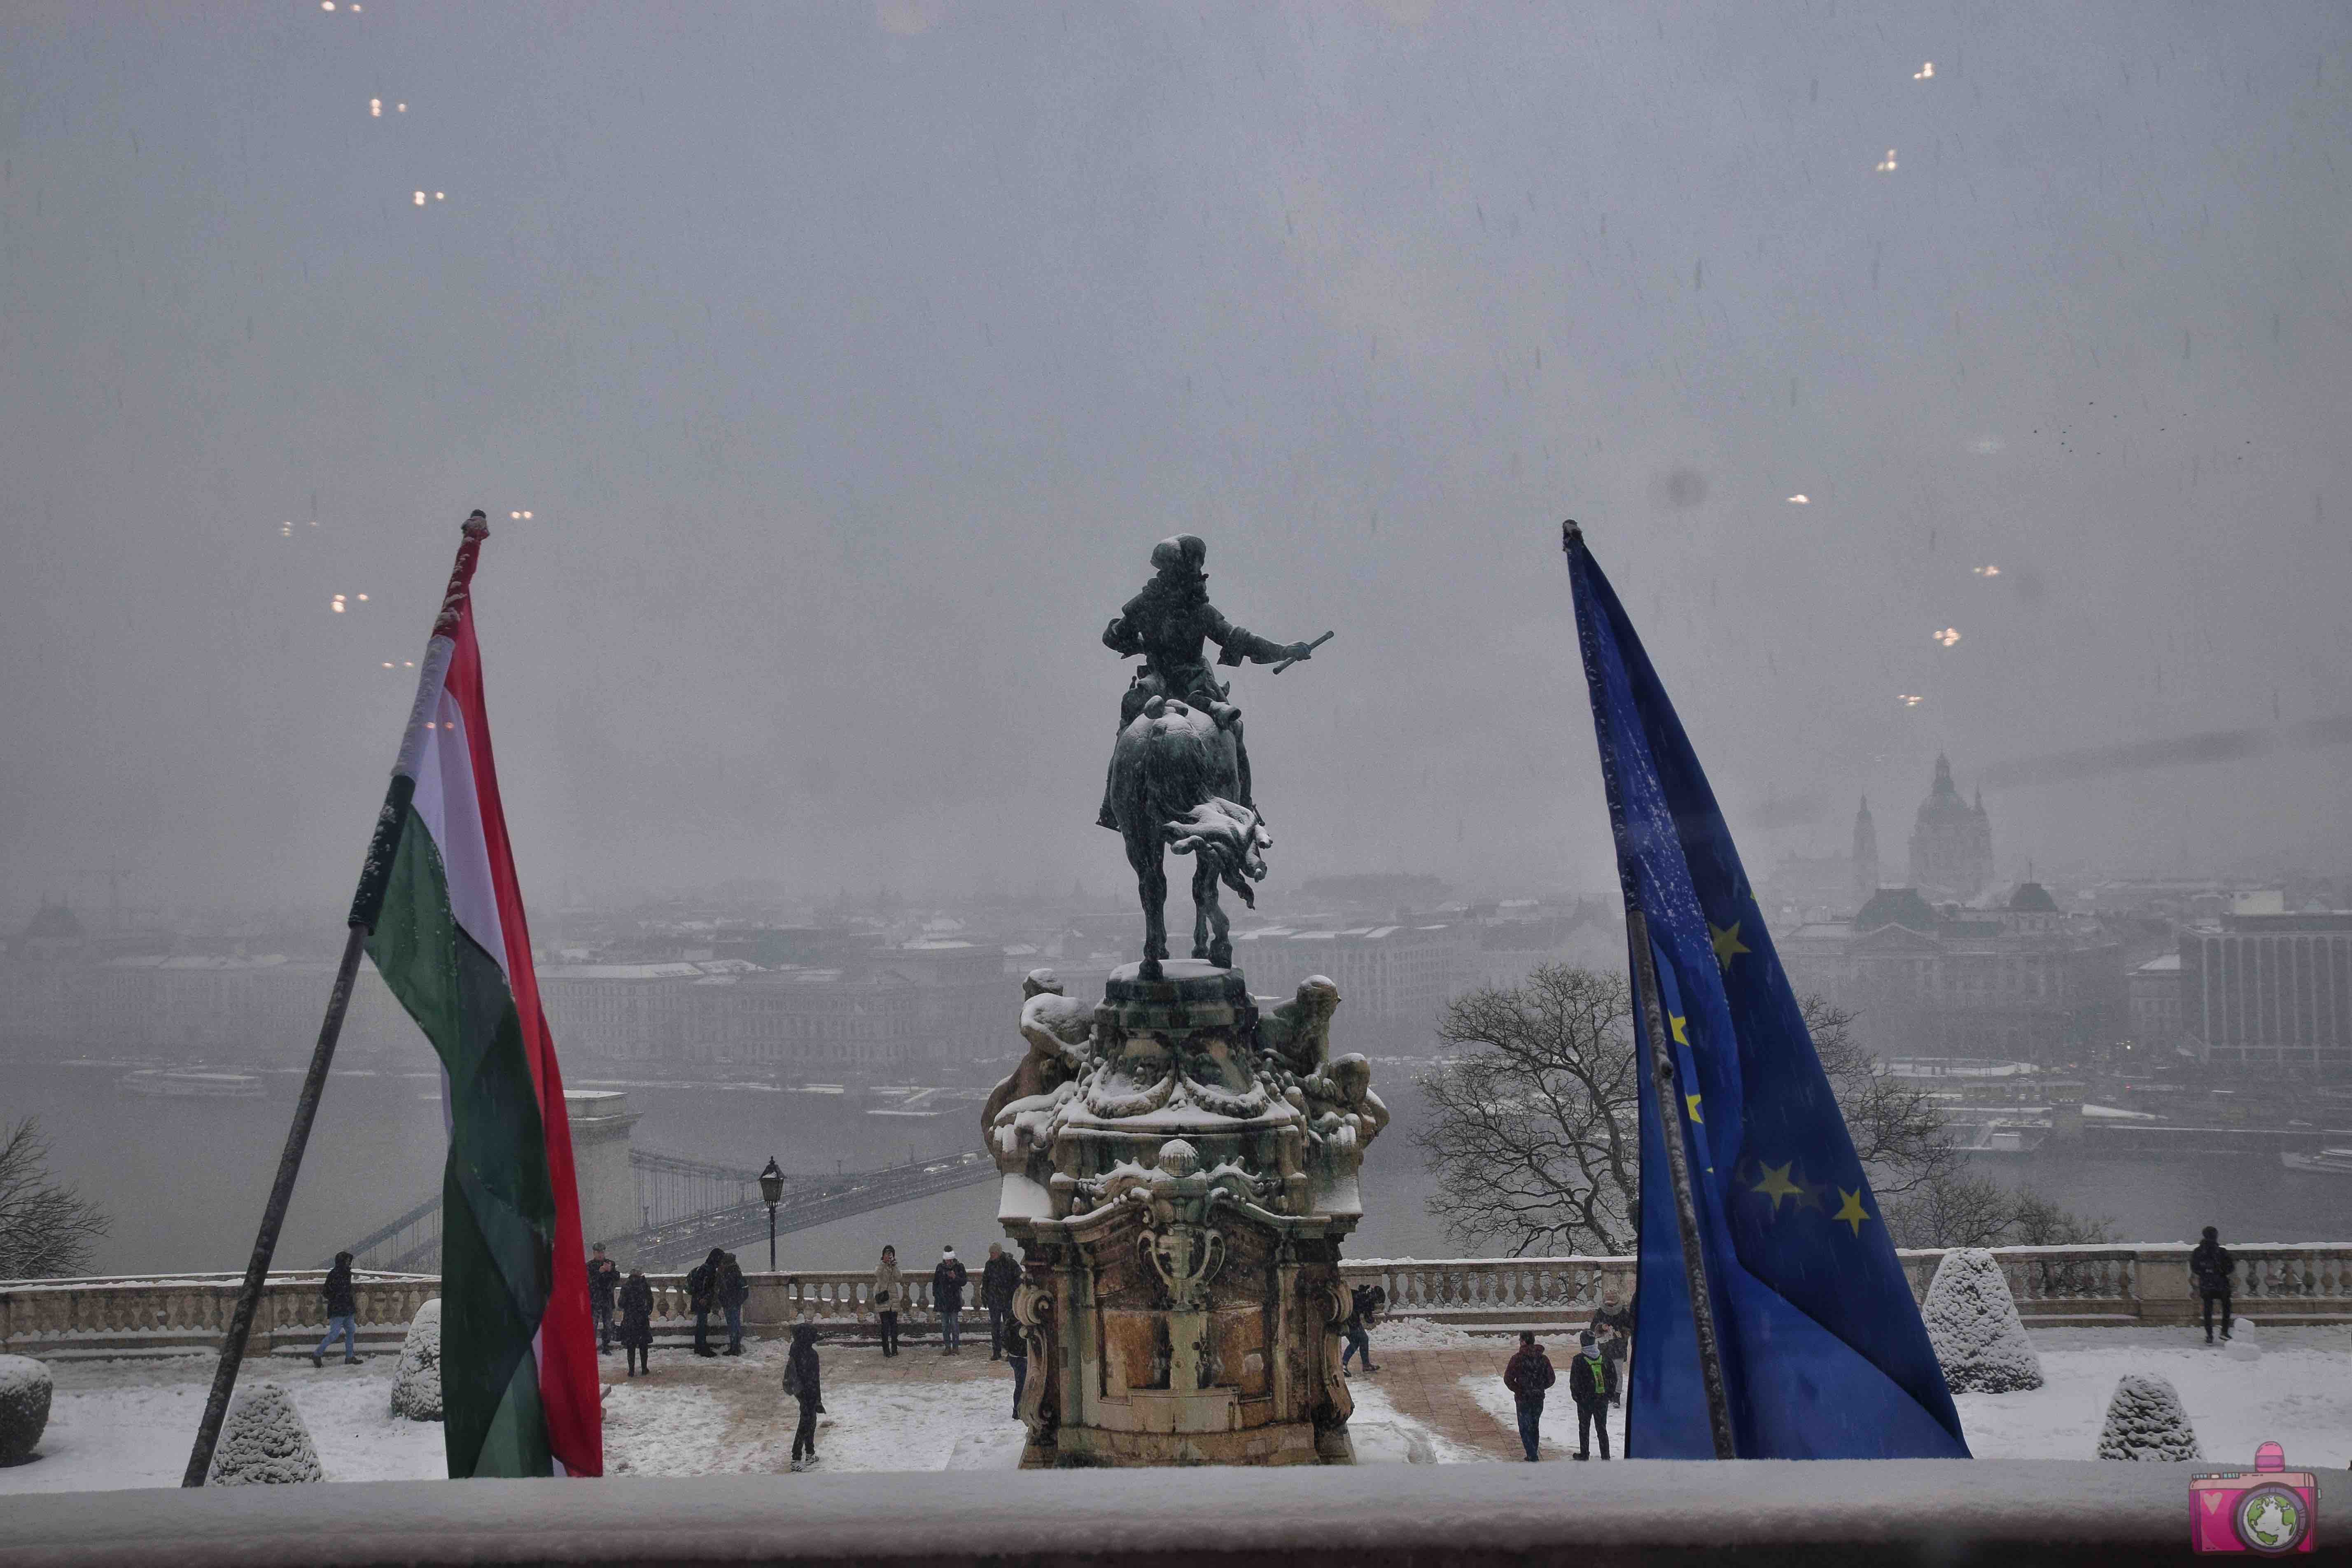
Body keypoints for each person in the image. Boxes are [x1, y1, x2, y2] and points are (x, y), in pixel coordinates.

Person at [1095, 534, 1321, 831]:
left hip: (1156, 686)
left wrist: (1139, 642)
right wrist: (1283, 650)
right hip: (1194, 689)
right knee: (1234, 730)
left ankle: (1112, 804)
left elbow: (1112, 638)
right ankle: (1245, 806)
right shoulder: (1199, 610)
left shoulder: (1144, 606)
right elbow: (1239, 640)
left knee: (1127, 731)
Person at [1502, 1332, 1555, 1462]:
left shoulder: (1517, 1359)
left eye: (1520, 1340)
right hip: (1538, 1397)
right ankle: (1532, 1453)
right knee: (1534, 1425)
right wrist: (1540, 1388)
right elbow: (1551, 1378)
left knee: (1525, 1428)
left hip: (1523, 1399)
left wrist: (1519, 1390)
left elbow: (1508, 1379)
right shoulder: (1543, 1359)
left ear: (1524, 1341)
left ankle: (1532, 1455)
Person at [783, 1314, 824, 1472]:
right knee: (806, 1423)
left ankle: (810, 1453)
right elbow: (814, 1379)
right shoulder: (810, 1355)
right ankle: (796, 1457)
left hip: (803, 1392)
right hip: (807, 1392)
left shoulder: (797, 1351)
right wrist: (816, 1398)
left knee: (811, 1421)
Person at [1569, 1329, 1618, 1460]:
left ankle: (1584, 1454)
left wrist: (1578, 1397)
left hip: (1585, 1401)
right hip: (1602, 1400)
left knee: (1584, 1428)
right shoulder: (1605, 1358)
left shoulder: (1579, 1360)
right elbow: (1613, 1377)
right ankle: (1606, 1456)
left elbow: (1574, 1381)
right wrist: (1609, 1395)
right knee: (1602, 1428)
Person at [311, 1251, 360, 1368]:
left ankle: (349, 1357)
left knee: (351, 1332)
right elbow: (326, 1292)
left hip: (346, 1308)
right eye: (347, 1260)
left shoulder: (346, 1273)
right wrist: (338, 1298)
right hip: (338, 1309)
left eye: (349, 1260)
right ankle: (317, 1354)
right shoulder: (334, 1274)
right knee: (334, 1335)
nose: (349, 1262)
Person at [2192, 1225, 2236, 1343]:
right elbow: (2230, 1268)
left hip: (2206, 1284)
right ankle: (2224, 1332)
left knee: (2208, 1309)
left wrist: (2205, 1272)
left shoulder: (2198, 1252)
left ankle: (2209, 1335)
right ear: (2216, 1236)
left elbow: (2195, 1268)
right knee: (2226, 1307)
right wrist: (2220, 1271)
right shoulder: (2222, 1252)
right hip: (2221, 1283)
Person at [1590, 1289, 1632, 1403]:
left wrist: (1621, 1333)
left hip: (1619, 1346)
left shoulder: (1623, 1312)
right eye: (1608, 1304)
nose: (1610, 1306)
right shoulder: (1601, 1312)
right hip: (1605, 1347)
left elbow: (1630, 1327)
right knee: (1605, 1372)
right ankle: (1608, 1393)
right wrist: (1601, 1328)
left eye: (1612, 1304)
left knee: (1618, 1372)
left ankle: (1617, 1395)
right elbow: (1593, 1328)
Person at [982, 1242, 1022, 1360]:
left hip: (1007, 1302)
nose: (991, 1255)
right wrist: (985, 1296)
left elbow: (1019, 1279)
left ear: (999, 1253)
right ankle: (996, 1352)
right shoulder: (989, 1264)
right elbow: (986, 1281)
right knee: (995, 1328)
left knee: (1008, 1328)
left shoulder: (1010, 1263)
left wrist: (1010, 1292)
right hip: (994, 1302)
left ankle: (1010, 1352)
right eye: (990, 1253)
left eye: (993, 1253)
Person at [687, 1247, 723, 1358]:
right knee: (702, 1325)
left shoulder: (704, 1268)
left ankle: (699, 1346)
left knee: (701, 1325)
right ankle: (702, 1348)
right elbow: (706, 1287)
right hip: (702, 1301)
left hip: (699, 1300)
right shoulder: (709, 1270)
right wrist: (704, 1298)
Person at [618, 1268, 655, 1377]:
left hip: (630, 1320)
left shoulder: (626, 1286)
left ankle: (631, 1371)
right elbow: (650, 1301)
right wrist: (647, 1311)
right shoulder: (644, 1286)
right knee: (643, 1345)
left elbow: (621, 1304)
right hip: (642, 1320)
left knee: (631, 1346)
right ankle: (644, 1369)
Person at [933, 1245, 968, 1354]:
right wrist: (937, 1296)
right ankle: (947, 1347)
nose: (948, 1262)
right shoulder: (940, 1268)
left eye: (949, 1260)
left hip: (954, 1300)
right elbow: (936, 1284)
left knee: (954, 1325)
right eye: (947, 1260)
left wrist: (955, 1277)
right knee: (945, 1326)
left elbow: (964, 1282)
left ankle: (955, 1347)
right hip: (943, 1301)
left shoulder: (959, 1267)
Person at [586, 1243, 621, 1356]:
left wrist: (610, 1270)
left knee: (608, 1325)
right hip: (595, 1300)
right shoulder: (590, 1266)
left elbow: (617, 1278)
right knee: (593, 1326)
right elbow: (588, 1281)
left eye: (602, 1252)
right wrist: (599, 1272)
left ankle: (606, 1347)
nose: (601, 1255)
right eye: (598, 1253)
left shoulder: (610, 1264)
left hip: (607, 1299)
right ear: (594, 1253)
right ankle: (591, 1347)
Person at [1341, 1283, 1382, 1375]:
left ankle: (1345, 1364)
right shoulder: (1366, 1299)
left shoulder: (1362, 1295)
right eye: (1377, 1301)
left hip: (1348, 1318)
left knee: (1356, 1342)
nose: (1377, 1303)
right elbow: (1369, 1319)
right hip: (1351, 1320)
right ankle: (1363, 1365)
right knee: (1362, 1339)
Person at [873, 1244, 903, 1358]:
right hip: (883, 1298)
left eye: (890, 1254)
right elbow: (877, 1274)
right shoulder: (880, 1266)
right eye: (887, 1254)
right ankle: (886, 1350)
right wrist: (884, 1263)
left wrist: (894, 1266)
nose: (889, 1256)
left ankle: (895, 1348)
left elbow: (899, 1278)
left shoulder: (893, 1266)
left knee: (894, 1326)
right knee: (885, 1326)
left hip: (893, 1299)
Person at [718, 1250, 749, 1356]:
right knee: (735, 1325)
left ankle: (734, 1348)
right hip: (734, 1303)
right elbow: (744, 1289)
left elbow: (725, 1289)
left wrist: (726, 1300)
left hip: (730, 1303)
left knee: (733, 1326)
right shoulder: (736, 1271)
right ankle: (736, 1347)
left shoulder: (729, 1273)